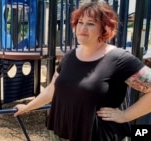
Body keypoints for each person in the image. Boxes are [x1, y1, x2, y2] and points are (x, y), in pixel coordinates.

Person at [13, 2, 151, 141]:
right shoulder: (69, 56)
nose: (82, 28)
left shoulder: (119, 59)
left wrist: (125, 116)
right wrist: (27, 107)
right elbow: (52, 89)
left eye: (90, 23)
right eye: (80, 22)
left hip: (98, 135)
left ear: (104, 28)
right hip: (61, 133)